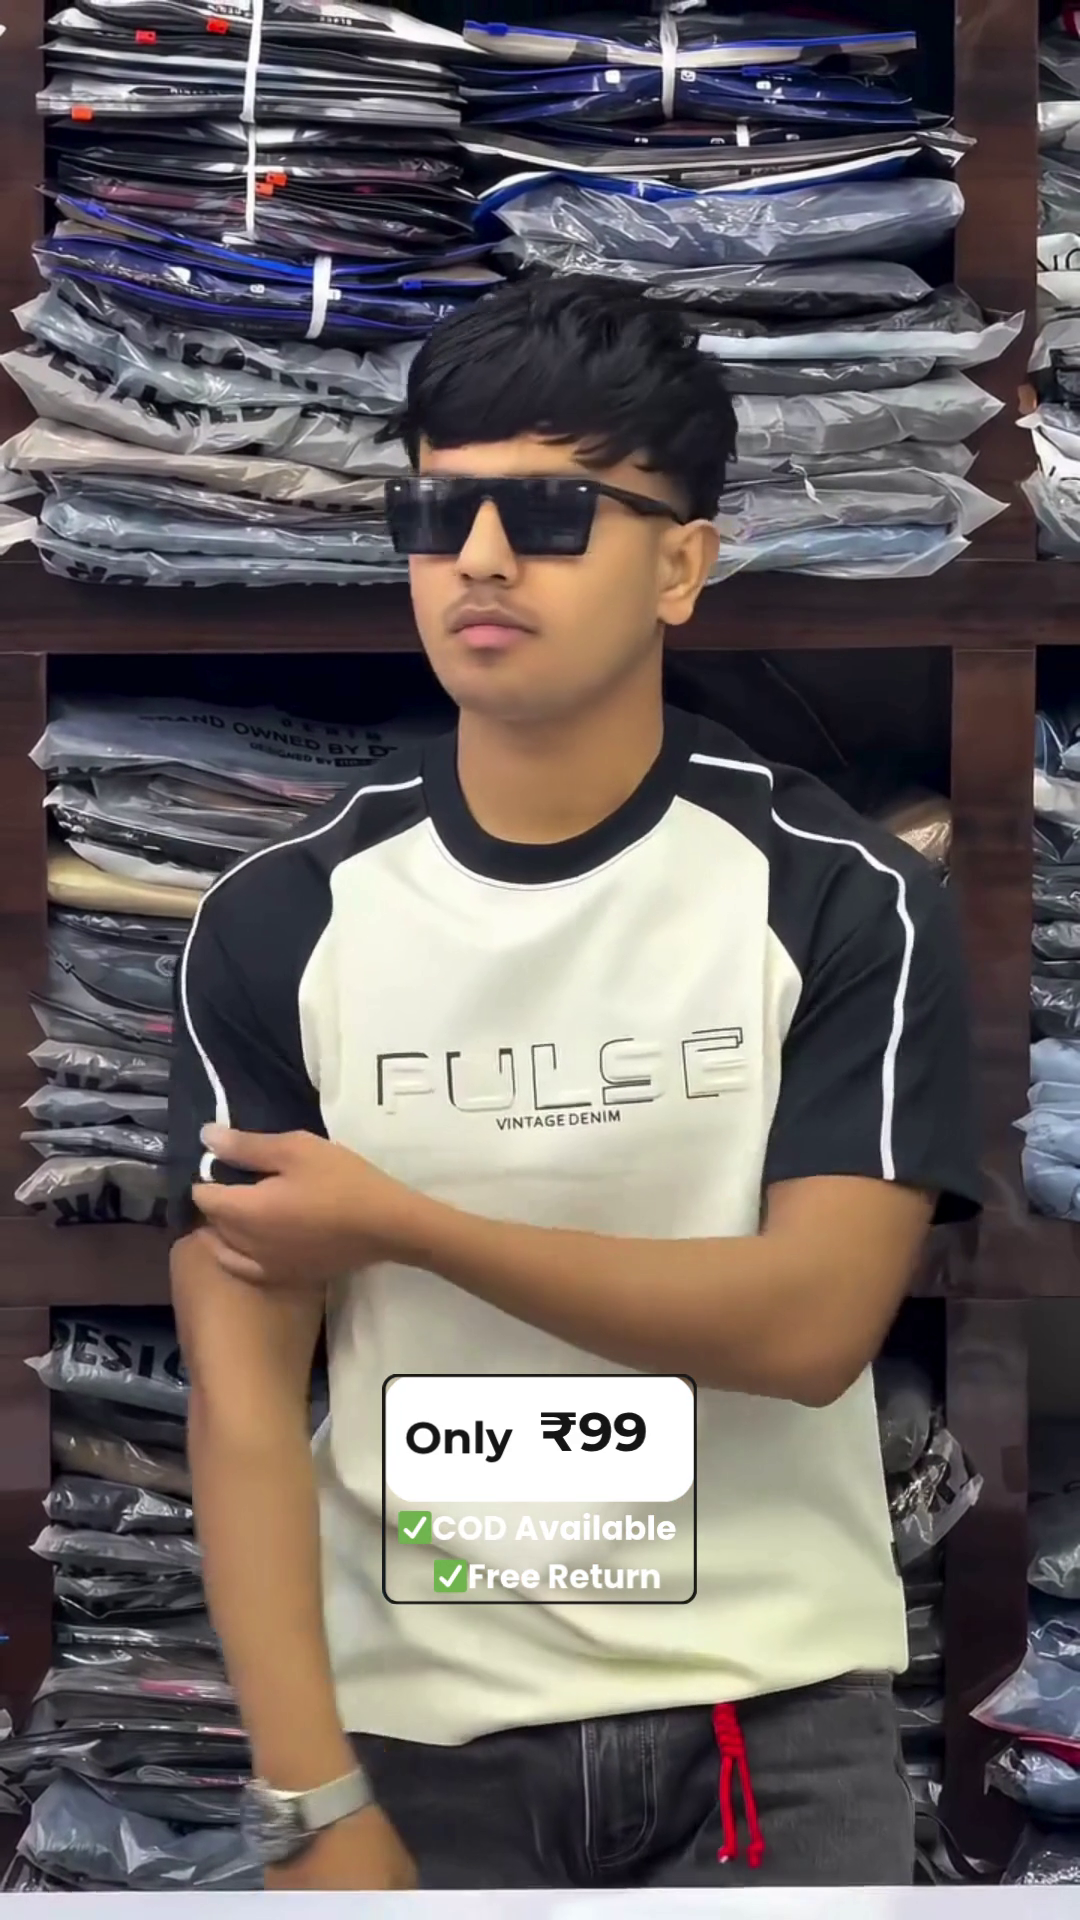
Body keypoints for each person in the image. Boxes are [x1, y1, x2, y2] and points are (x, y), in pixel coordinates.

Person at [168, 275, 981, 1892]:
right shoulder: (276, 920)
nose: (478, 557)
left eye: (550, 513)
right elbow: (241, 1396)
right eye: (435, 511)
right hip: (419, 1748)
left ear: (685, 562)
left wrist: (404, 1224)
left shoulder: (839, 897)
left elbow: (811, 1327)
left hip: (765, 1734)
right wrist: (308, 1796)